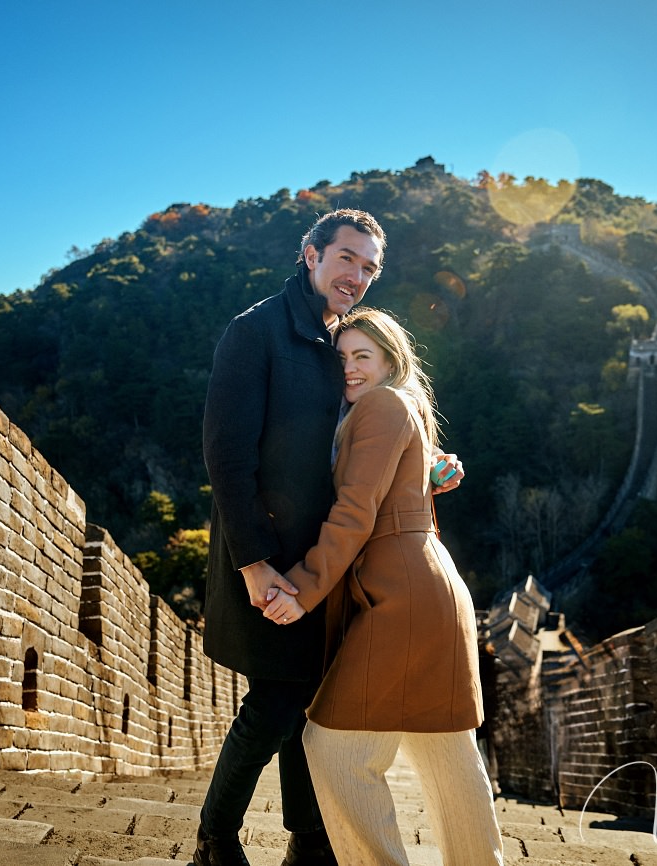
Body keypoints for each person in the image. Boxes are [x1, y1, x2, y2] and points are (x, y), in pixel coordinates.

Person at [199, 210, 464, 866]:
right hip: (269, 554)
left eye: (370, 267)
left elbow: (359, 442)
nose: (358, 276)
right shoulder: (256, 332)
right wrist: (254, 564)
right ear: (310, 254)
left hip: (331, 561)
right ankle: (216, 840)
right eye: (347, 258)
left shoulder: (339, 341)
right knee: (276, 701)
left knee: (311, 703)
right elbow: (226, 456)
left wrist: (426, 468)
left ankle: (309, 842)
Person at [262, 308, 504, 866]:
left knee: (333, 747)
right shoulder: (396, 407)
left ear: (392, 359)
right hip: (427, 584)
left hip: (402, 595)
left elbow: (355, 512)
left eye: (362, 356)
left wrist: (302, 588)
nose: (348, 368)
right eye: (340, 357)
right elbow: (393, 495)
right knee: (447, 752)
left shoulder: (379, 405)